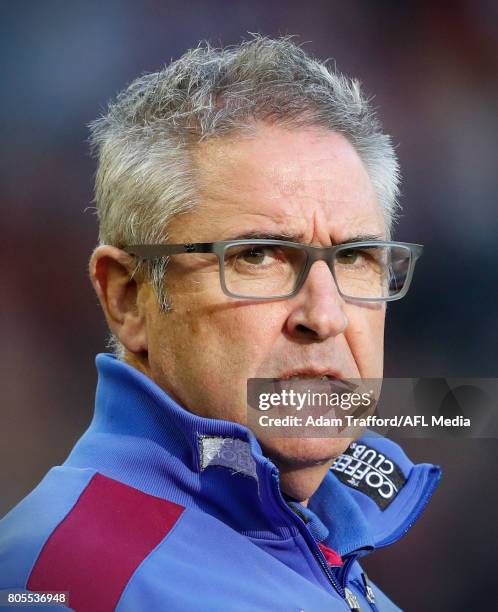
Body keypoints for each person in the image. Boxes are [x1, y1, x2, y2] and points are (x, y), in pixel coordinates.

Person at [0, 36, 440, 611]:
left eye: (355, 258)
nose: (324, 316)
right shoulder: (62, 580)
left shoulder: (335, 566)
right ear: (128, 298)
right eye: (257, 256)